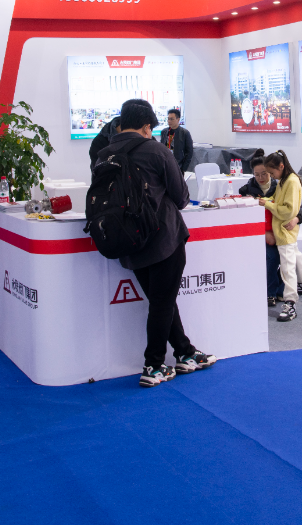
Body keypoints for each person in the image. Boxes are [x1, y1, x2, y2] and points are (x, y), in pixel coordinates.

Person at [95, 98, 215, 388]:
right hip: (164, 239)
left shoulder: (104, 154)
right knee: (162, 303)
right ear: (147, 126)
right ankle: (154, 365)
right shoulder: (157, 151)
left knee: (162, 300)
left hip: (127, 242)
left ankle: (185, 352)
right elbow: (182, 197)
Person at [238, 149, 302, 306]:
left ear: (278, 168)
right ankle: (273, 292)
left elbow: (295, 210)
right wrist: (263, 232)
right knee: (279, 259)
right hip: (265, 233)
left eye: (266, 173)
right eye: (257, 175)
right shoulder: (247, 189)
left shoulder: (284, 183)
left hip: (281, 232)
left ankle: (287, 297)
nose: (261, 178)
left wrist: (295, 218)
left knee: (287, 266)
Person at [259, 150, 302, 322]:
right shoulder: (283, 181)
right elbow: (276, 200)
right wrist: (265, 201)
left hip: (285, 232)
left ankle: (290, 304)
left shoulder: (292, 182)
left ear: (281, 166)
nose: (271, 177)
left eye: (272, 173)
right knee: (292, 261)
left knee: (287, 270)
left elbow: (288, 211)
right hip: (282, 232)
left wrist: (268, 205)